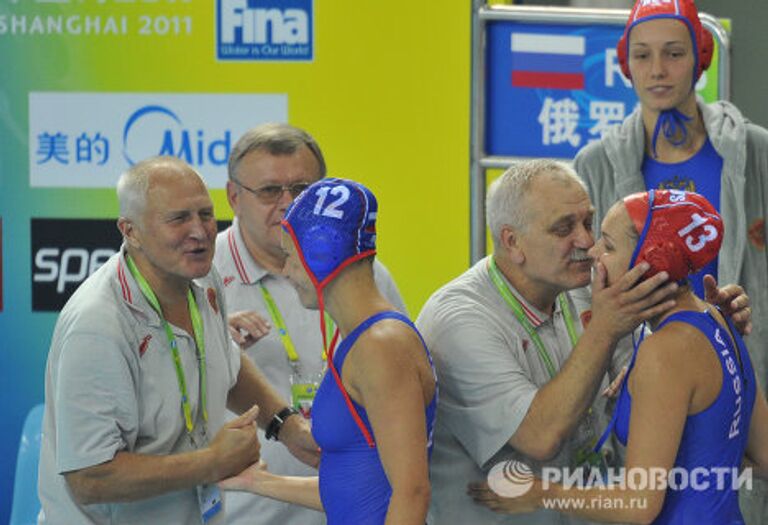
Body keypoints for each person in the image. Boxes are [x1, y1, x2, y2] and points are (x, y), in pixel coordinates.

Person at [38, 156, 315, 525]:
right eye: (178, 218)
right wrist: (211, 462)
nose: (200, 232)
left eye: (205, 214)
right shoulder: (98, 326)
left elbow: (225, 362)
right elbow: (90, 478)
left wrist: (285, 424)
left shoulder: (203, 277)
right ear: (130, 231)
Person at [573, 1, 768, 519]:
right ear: (625, 64)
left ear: (701, 58)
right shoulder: (596, 164)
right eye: (643, 56)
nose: (657, 70)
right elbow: (582, 287)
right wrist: (616, 353)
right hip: (648, 377)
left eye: (674, 54)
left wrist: (744, 312)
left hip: (736, 366)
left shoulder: (753, 155)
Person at [469, 189, 768, 524]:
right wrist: (704, 468)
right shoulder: (720, 318)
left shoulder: (665, 352)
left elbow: (637, 507)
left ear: (649, 263)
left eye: (609, 246)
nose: (594, 251)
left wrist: (542, 492)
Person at [416, 159, 683, 525]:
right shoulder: (459, 319)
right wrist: (603, 330)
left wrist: (704, 325)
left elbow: (663, 371)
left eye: (588, 222)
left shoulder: (588, 286)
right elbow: (540, 436)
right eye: (564, 229)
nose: (587, 243)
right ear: (513, 242)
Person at [214, 123, 408, 525]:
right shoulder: (202, 279)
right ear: (234, 196)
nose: (289, 205)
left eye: (302, 191)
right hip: (243, 512)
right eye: (270, 191)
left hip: (348, 510)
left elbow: (402, 393)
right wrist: (213, 348)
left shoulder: (362, 276)